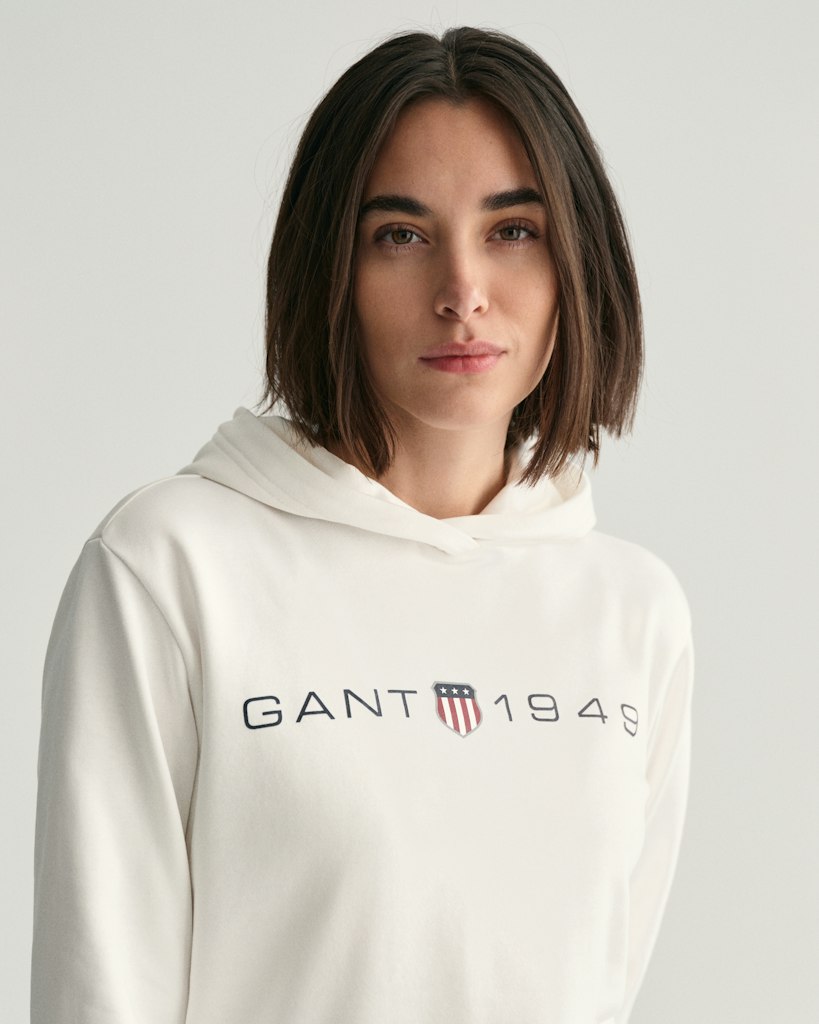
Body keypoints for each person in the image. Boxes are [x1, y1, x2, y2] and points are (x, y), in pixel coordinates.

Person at [31, 26, 694, 1024]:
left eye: (513, 230)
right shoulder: (170, 569)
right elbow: (100, 990)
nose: (462, 292)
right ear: (328, 269)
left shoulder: (632, 612)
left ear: (578, 262)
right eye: (401, 236)